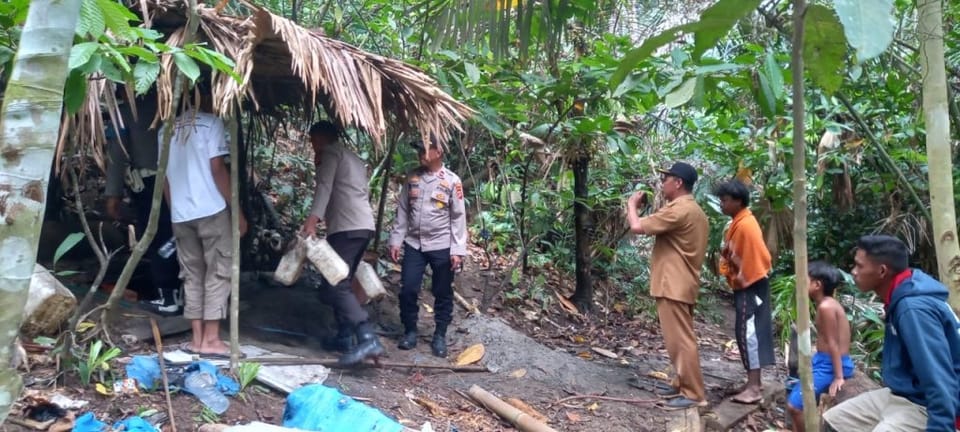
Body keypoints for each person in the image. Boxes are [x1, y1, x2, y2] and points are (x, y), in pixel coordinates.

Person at [823, 235, 960, 431]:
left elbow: (938, 375)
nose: (853, 272)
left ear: (881, 271)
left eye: (859, 266)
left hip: (929, 405)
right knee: (834, 422)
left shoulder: (913, 309)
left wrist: (941, 426)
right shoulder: (902, 292)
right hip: (904, 394)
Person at [162, 93, 248, 358]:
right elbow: (217, 169)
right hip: (211, 210)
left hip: (180, 213)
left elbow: (164, 178)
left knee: (192, 274)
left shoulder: (166, 130)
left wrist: (174, 209)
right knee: (219, 272)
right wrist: (237, 210)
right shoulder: (212, 124)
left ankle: (197, 339)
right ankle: (212, 339)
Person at [300, 121, 385, 366]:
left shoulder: (330, 153)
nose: (313, 146)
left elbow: (324, 188)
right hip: (361, 226)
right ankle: (344, 335)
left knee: (337, 284)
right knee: (337, 281)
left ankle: (366, 336)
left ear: (321, 138)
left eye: (313, 140)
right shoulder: (352, 157)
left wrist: (312, 221)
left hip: (347, 227)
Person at [625, 161, 709, 410]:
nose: (663, 184)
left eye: (666, 179)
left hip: (673, 284)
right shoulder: (695, 211)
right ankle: (681, 383)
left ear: (678, 182)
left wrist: (631, 206)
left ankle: (693, 393)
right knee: (679, 338)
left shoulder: (680, 210)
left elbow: (637, 226)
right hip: (682, 283)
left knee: (680, 340)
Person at [389, 135, 467, 358]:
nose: (421, 154)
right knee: (408, 289)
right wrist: (396, 239)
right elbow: (403, 210)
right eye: (419, 150)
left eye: (425, 150)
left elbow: (458, 217)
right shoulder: (412, 177)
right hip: (414, 243)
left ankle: (440, 334)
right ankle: (410, 331)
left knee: (442, 291)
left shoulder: (452, 181)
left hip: (441, 244)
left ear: (439, 152)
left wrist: (457, 251)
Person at [105, 91, 182, 316]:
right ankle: (184, 294)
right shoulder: (179, 101)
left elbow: (117, 152)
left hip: (151, 183)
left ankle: (168, 295)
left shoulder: (128, 110)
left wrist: (113, 194)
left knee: (158, 236)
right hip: (184, 180)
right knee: (177, 235)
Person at [713, 179, 775, 404]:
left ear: (738, 201)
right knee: (744, 333)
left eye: (725, 200)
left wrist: (740, 277)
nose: (722, 204)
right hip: (747, 284)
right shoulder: (739, 222)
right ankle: (752, 382)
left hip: (751, 284)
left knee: (748, 334)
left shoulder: (746, 225)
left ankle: (755, 387)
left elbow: (753, 259)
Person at [787, 261, 854, 432]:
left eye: (804, 280)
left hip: (830, 365)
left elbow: (833, 342)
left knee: (794, 406)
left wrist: (839, 377)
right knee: (796, 401)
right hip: (823, 361)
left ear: (817, 285)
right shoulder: (827, 303)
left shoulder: (826, 307)